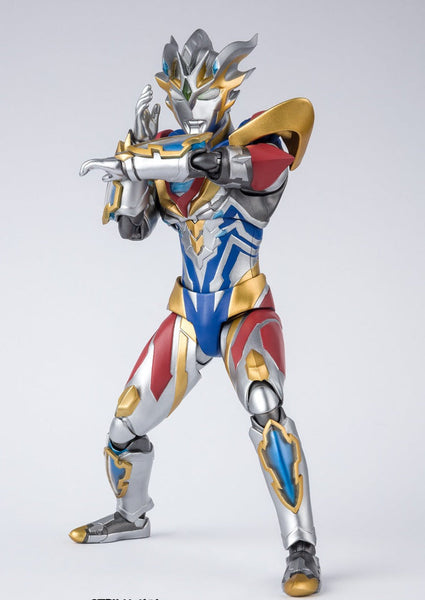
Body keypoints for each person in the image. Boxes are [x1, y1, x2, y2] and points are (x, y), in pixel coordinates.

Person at [71, 29, 320, 597]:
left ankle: (300, 546)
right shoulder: (168, 165)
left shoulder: (257, 149)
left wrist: (165, 160)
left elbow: (248, 165)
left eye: (203, 99)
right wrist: (134, 165)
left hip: (243, 312)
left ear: (226, 96)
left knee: (266, 407)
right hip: (188, 314)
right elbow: (132, 229)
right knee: (124, 425)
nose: (191, 111)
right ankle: (130, 515)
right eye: (181, 102)